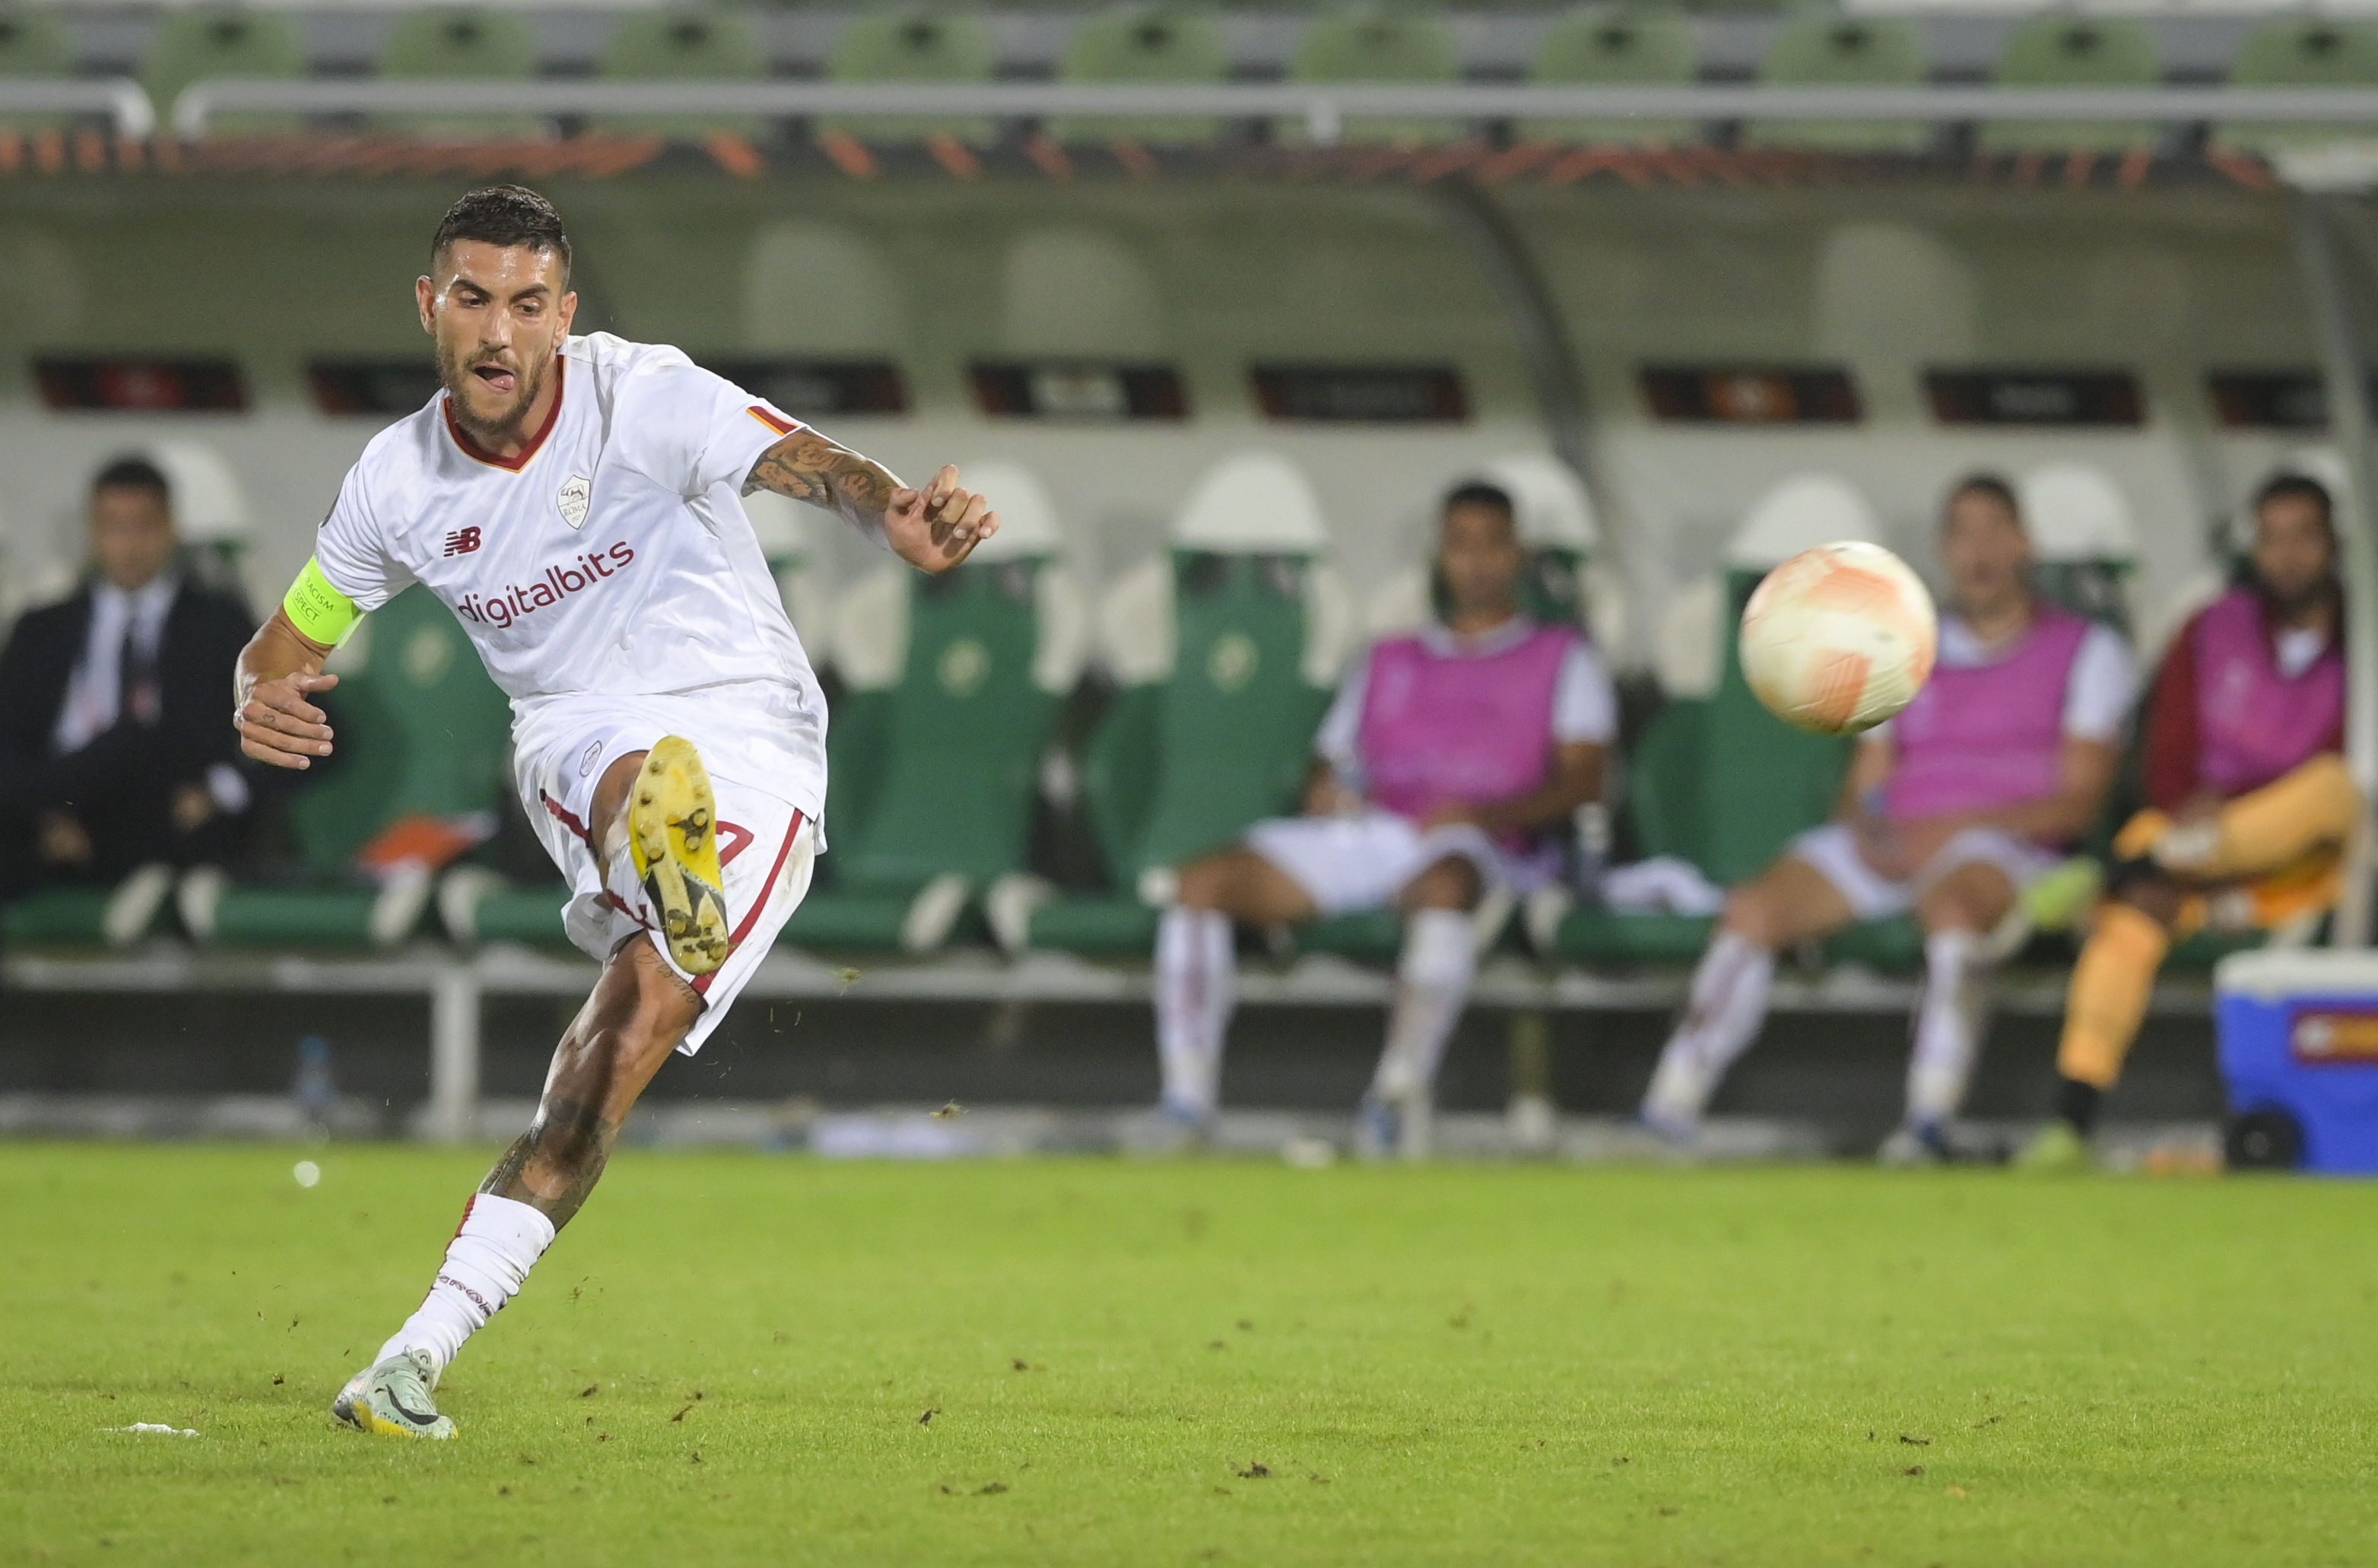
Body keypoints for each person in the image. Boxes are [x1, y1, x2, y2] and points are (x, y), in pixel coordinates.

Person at [233, 186, 995, 1439]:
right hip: (576, 737)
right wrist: (258, 692)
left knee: (604, 1065)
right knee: (619, 765)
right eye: (472, 299)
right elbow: (290, 636)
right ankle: (657, 841)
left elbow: (808, 462)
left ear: (564, 315)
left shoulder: (641, 392)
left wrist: (892, 511)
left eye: (528, 305)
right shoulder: (396, 481)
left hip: (751, 738)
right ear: (429, 306)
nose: (499, 333)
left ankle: (412, 1357)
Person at [1639, 475, 2132, 1162]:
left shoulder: (2086, 650)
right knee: (1754, 907)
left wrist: (1953, 830)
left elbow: (2078, 800)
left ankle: (1928, 1118)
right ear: (1942, 549)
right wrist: (1868, 831)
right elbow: (1866, 783)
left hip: (2004, 844)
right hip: (1900, 840)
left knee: (1955, 907)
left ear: (2024, 544)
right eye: (1960, 532)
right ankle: (1669, 1107)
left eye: (1993, 529)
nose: (1977, 550)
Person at [1151, 481, 1613, 1158]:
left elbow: (1583, 780)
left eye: (1492, 545)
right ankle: (1186, 1104)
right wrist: (1326, 790)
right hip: (1377, 830)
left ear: (1516, 554)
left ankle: (1394, 1098)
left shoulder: (1561, 655)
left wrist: (1485, 812)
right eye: (1461, 545)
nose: (1476, 563)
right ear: (1440, 555)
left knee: (1444, 884)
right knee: (1199, 884)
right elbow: (1332, 760)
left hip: (1482, 841)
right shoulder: (1388, 656)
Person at [2018, 473, 2356, 1171]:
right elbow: (2164, 754)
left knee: (2332, 789)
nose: (2287, 556)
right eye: (2272, 539)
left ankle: (2116, 870)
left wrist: (2216, 825)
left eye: (2304, 538)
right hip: (2192, 855)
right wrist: (2184, 805)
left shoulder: (2367, 635)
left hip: (2303, 871)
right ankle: (2070, 1119)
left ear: (2332, 545)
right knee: (2129, 921)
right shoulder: (2209, 629)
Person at [0, 455, 256, 900]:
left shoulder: (219, 626)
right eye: (113, 527)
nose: (129, 545)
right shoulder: (41, 630)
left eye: (144, 527)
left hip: (164, 809)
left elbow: (318, 731)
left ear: (171, 527)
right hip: (55, 805)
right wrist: (47, 818)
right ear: (92, 530)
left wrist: (218, 791)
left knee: (136, 742)